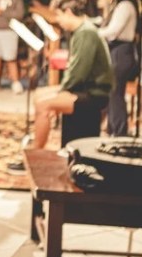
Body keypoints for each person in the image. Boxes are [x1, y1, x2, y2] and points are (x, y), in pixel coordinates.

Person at [31, 8, 114, 151]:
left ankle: (36, 150)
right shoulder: (82, 30)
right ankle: (38, 148)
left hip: (93, 92)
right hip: (83, 87)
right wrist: (61, 91)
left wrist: (61, 92)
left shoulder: (86, 32)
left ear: (68, 12)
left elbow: (79, 71)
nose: (59, 22)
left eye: (59, 17)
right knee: (38, 94)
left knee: (43, 104)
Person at [98, 0, 139, 137]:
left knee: (116, 94)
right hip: (118, 51)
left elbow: (114, 31)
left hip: (121, 52)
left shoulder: (125, 6)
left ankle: (119, 131)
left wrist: (94, 33)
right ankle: (113, 129)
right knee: (114, 93)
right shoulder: (120, 6)